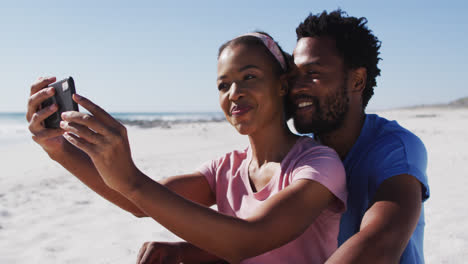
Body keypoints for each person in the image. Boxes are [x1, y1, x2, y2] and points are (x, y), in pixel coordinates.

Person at [27, 32, 347, 264]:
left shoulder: (318, 164)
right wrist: (59, 149)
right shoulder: (226, 168)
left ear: (281, 86)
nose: (234, 93)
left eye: (249, 76)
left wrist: (130, 178)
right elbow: (140, 203)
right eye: (224, 84)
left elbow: (246, 241)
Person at [288, 10, 430, 264]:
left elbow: (380, 243)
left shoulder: (395, 147)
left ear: (357, 80)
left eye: (313, 73)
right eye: (294, 75)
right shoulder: (300, 152)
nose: (297, 86)